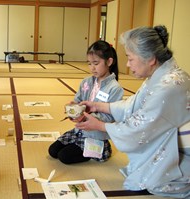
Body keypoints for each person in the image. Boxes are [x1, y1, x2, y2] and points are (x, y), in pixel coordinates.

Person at [76, 25, 190, 198]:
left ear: (150, 59)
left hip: (182, 149)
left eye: (130, 58)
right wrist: (97, 106)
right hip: (172, 138)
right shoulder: (162, 75)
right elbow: (132, 104)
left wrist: (100, 126)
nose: (128, 65)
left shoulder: (168, 86)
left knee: (155, 183)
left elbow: (140, 127)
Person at [48, 40, 124, 164]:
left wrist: (85, 117)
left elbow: (110, 117)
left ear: (109, 62)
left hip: (96, 135)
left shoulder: (115, 88)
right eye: (89, 63)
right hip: (80, 130)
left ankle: (102, 150)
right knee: (53, 151)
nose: (92, 68)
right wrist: (72, 108)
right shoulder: (86, 82)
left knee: (64, 157)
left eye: (96, 63)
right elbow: (78, 100)